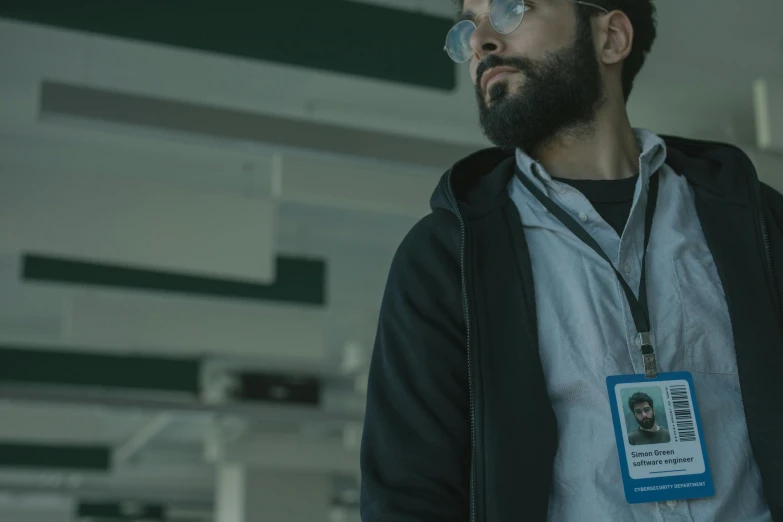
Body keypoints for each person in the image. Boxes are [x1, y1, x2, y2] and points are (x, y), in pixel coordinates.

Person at [360, 0, 783, 521]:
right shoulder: (447, 257)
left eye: (512, 10)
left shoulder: (755, 223)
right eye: (467, 27)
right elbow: (408, 493)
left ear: (612, 38)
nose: (480, 42)